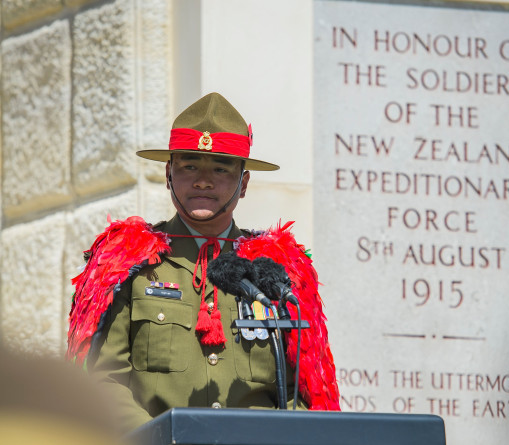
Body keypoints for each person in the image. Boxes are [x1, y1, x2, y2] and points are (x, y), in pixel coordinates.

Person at [67, 92, 340, 433]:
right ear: (169, 173)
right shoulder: (126, 264)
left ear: (243, 183)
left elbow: (305, 392)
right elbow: (102, 381)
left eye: (221, 168)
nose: (203, 180)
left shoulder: (280, 272)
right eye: (189, 165)